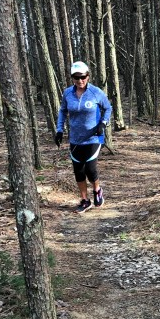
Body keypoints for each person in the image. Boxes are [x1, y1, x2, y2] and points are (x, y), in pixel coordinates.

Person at [55, 61, 112, 213]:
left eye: (83, 77)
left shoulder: (96, 92)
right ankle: (85, 200)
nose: (80, 80)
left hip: (94, 137)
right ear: (72, 78)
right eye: (76, 77)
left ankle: (97, 190)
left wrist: (103, 123)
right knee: (78, 171)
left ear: (88, 76)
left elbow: (108, 108)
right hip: (75, 139)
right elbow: (62, 111)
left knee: (90, 169)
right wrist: (59, 130)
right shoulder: (68, 93)